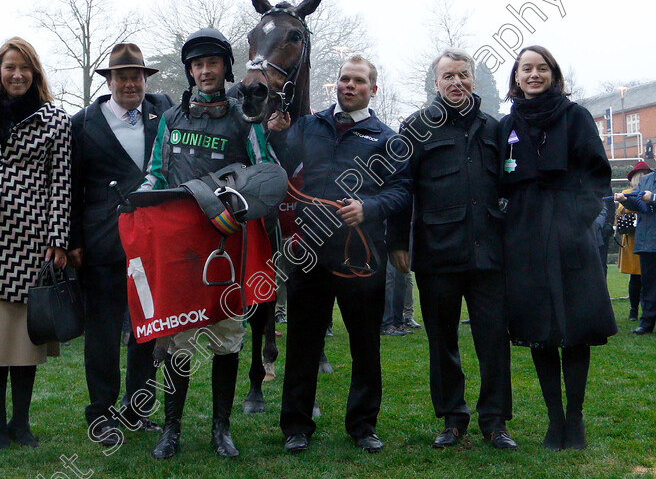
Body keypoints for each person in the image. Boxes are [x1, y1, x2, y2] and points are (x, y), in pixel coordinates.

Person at [140, 28, 273, 460]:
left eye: (211, 63)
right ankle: (171, 430)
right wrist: (137, 203)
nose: (204, 70)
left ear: (224, 67)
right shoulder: (170, 120)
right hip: (181, 250)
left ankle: (221, 430)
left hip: (227, 248)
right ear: (189, 71)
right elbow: (155, 174)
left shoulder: (244, 119)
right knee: (179, 337)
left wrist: (237, 200)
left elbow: (267, 175)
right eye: (197, 64)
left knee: (227, 336)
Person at [270, 55, 411, 454]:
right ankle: (296, 426)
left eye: (359, 81)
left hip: (360, 255)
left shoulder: (386, 137)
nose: (350, 86)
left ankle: (363, 426)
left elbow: (402, 190)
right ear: (336, 85)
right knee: (302, 342)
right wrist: (276, 136)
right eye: (344, 80)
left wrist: (369, 207)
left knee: (365, 343)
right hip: (310, 251)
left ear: (373, 89)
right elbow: (281, 166)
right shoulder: (308, 126)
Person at [387, 49, 516, 450]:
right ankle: (452, 418)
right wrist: (396, 242)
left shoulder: (494, 129)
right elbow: (401, 189)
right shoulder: (415, 128)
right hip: (437, 253)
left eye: (463, 75)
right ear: (436, 83)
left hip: (488, 254)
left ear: (473, 80)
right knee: (442, 340)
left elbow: (507, 188)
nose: (456, 82)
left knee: (494, 340)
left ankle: (495, 422)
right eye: (448, 77)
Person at [0, 37, 71, 449]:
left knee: (26, 338)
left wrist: (58, 239)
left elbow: (61, 183)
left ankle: (21, 423)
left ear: (35, 72)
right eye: (9, 67)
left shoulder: (56, 119)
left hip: (32, 236)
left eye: (24, 67)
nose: (16, 74)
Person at [499, 45, 616, 450]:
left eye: (541, 68)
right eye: (526, 69)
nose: (534, 74)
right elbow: (500, 181)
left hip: (571, 237)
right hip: (526, 240)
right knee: (540, 331)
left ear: (553, 74)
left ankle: (576, 418)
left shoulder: (576, 116)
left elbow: (599, 175)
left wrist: (579, 219)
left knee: (576, 328)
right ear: (516, 77)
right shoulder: (506, 124)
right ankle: (554, 420)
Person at [69, 43, 173, 445]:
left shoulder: (161, 114)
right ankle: (101, 413)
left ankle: (137, 410)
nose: (130, 83)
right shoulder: (83, 124)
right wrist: (74, 241)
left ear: (146, 81)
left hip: (151, 241)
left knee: (147, 329)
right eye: (122, 76)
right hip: (101, 243)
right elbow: (71, 187)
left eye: (137, 76)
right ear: (109, 81)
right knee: (103, 333)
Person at [617, 161, 650, 321]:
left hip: (638, 240)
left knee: (639, 279)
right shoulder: (629, 193)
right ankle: (637, 310)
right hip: (634, 241)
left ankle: (636, 311)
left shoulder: (631, 194)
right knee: (640, 278)